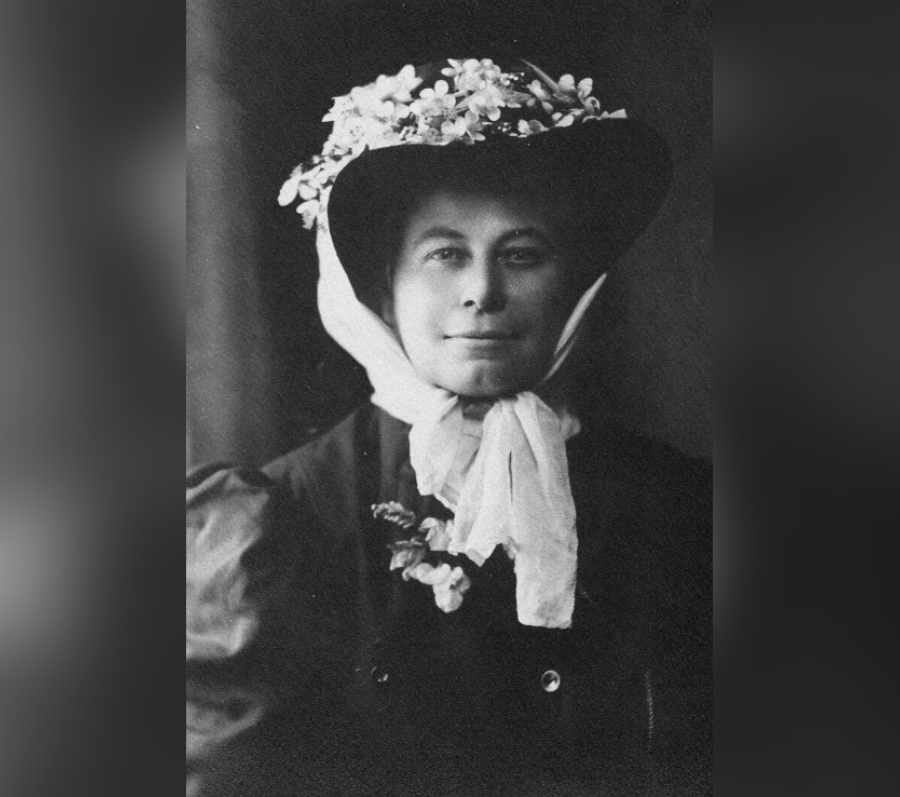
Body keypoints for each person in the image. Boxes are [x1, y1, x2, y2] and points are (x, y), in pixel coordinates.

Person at [187, 58, 711, 797]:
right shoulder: (271, 525)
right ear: (378, 288)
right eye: (445, 255)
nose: (483, 292)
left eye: (522, 255)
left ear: (574, 284)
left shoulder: (679, 504)